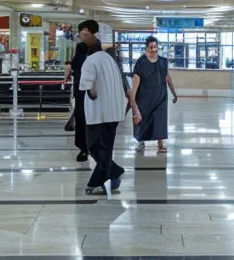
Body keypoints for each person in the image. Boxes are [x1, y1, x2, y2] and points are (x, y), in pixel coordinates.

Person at [76, 20, 129, 195]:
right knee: (105, 148)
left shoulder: (90, 61)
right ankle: (111, 175)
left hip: (99, 114)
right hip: (114, 112)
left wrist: (91, 96)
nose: (82, 39)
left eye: (84, 36)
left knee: (95, 148)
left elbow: (89, 89)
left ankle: (102, 179)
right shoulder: (110, 60)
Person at [129, 36, 179, 152]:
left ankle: (160, 143)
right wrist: (133, 100)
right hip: (144, 97)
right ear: (146, 48)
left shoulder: (163, 62)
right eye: (151, 47)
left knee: (160, 120)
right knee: (143, 119)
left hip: (160, 97)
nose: (153, 49)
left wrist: (174, 93)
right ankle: (140, 141)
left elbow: (167, 77)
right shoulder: (141, 63)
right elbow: (135, 81)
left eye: (155, 47)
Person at [64, 37, 91, 163]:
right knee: (85, 119)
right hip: (86, 92)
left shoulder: (82, 52)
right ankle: (86, 147)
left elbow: (73, 66)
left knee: (83, 119)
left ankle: (85, 148)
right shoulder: (85, 51)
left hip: (83, 92)